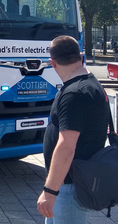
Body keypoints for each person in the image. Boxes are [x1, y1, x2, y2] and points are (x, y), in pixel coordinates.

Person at [37, 35, 109, 223]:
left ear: (52, 63)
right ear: (81, 56)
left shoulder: (74, 94)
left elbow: (66, 146)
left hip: (69, 185)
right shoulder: (91, 84)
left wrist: (50, 191)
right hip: (72, 182)